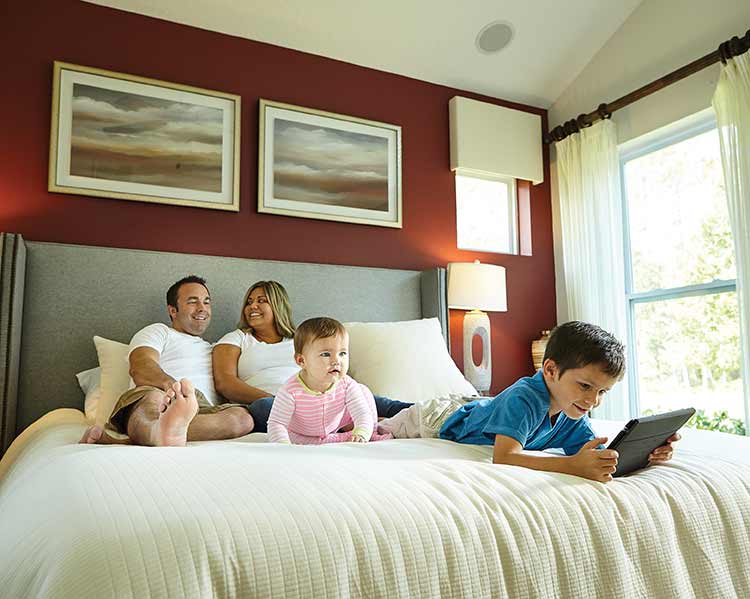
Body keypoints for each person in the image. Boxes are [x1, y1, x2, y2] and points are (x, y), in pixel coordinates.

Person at [379, 321, 680, 483]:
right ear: (550, 370)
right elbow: (505, 457)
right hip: (441, 417)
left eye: (602, 392)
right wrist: (571, 466)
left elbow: (598, 456)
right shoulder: (526, 397)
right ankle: (362, 395)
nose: (592, 400)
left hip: (479, 407)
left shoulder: (573, 411)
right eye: (586, 386)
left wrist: (646, 452)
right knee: (385, 414)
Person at [212, 280, 411, 431]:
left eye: (261, 301)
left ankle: (428, 412)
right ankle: (347, 426)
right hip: (278, 403)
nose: (252, 306)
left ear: (278, 305)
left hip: (325, 395)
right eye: (249, 302)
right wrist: (282, 399)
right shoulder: (237, 338)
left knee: (370, 396)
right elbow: (225, 382)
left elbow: (335, 366)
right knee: (263, 408)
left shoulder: (302, 339)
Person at [80, 276, 254, 446]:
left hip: (200, 407)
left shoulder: (215, 349)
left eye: (206, 302)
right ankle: (161, 428)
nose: (202, 308)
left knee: (243, 419)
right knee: (152, 401)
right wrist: (173, 389)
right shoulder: (159, 332)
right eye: (193, 301)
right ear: (173, 310)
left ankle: (155, 433)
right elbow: (141, 367)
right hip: (159, 393)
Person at [267, 317, 392, 444]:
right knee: (295, 439)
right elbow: (277, 423)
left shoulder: (346, 385)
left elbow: (362, 414)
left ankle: (372, 432)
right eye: (326, 354)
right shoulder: (290, 391)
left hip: (338, 423)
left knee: (363, 390)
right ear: (302, 361)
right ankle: (333, 439)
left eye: (342, 353)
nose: (337, 361)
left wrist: (361, 433)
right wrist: (283, 445)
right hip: (302, 434)